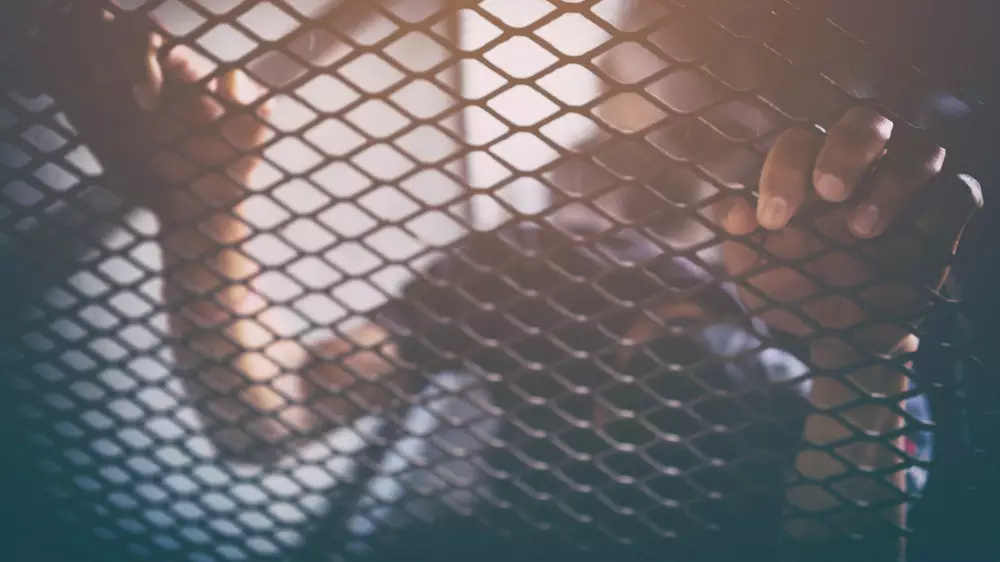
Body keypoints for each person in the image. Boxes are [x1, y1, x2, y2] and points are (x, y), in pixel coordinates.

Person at [0, 3, 987, 562]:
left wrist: (860, 356)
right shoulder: (527, 264)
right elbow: (265, 419)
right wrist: (204, 215)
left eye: (759, 101)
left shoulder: (865, 327)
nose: (694, 128)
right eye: (663, 66)